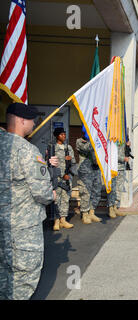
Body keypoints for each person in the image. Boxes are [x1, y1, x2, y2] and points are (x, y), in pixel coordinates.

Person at [0, 103, 58, 300]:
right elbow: (42, 193)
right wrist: (52, 194)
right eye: (32, 119)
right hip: (22, 229)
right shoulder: (26, 150)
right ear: (21, 120)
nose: (34, 123)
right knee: (23, 279)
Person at [50, 127, 77, 231]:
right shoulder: (52, 148)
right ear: (57, 136)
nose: (64, 136)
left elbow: (73, 162)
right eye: (61, 134)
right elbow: (49, 163)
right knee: (56, 199)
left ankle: (63, 220)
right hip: (56, 178)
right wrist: (61, 175)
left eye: (64, 134)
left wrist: (70, 160)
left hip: (66, 178)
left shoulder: (68, 148)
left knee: (65, 199)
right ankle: (56, 221)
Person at [76, 128, 102, 224]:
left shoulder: (95, 140)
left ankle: (92, 211)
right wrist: (94, 140)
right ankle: (85, 213)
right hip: (85, 170)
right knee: (85, 192)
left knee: (96, 191)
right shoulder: (79, 141)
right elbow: (87, 148)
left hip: (96, 169)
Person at [106, 141, 128, 218]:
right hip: (113, 168)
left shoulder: (123, 140)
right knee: (112, 188)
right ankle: (110, 208)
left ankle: (115, 207)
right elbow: (111, 154)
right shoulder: (112, 140)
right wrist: (123, 158)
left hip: (121, 168)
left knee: (119, 189)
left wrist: (127, 145)